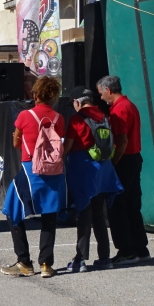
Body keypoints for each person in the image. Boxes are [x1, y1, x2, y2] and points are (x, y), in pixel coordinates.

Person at [1, 76, 66, 278]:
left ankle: (24, 261)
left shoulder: (25, 116)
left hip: (31, 170)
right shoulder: (58, 118)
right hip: (55, 172)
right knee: (49, 215)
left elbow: (16, 143)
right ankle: (46, 264)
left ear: (35, 94)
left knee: (12, 212)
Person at [63, 87, 123, 272]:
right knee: (98, 214)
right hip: (103, 171)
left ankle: (80, 259)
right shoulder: (105, 116)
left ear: (78, 102)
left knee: (84, 215)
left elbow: (67, 148)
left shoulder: (76, 119)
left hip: (83, 170)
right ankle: (104, 257)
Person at [97, 75, 150, 265]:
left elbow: (122, 140)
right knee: (132, 205)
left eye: (101, 93)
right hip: (134, 159)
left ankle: (126, 250)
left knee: (116, 205)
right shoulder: (130, 105)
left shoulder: (120, 109)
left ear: (108, 90)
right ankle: (140, 248)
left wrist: (114, 162)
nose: (101, 97)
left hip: (125, 160)